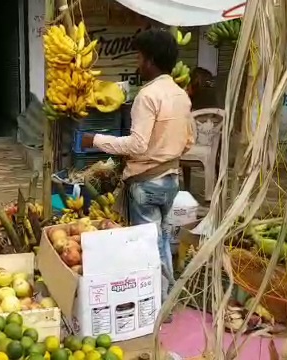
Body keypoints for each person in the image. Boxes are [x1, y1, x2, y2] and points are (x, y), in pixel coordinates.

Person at [81, 29, 194, 303]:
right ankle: (166, 299)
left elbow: (137, 145)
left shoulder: (147, 96)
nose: (137, 64)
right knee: (164, 240)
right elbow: (189, 142)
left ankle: (155, 304)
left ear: (151, 60)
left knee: (150, 245)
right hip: (170, 181)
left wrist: (94, 139)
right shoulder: (181, 95)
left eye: (140, 58)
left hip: (146, 184)